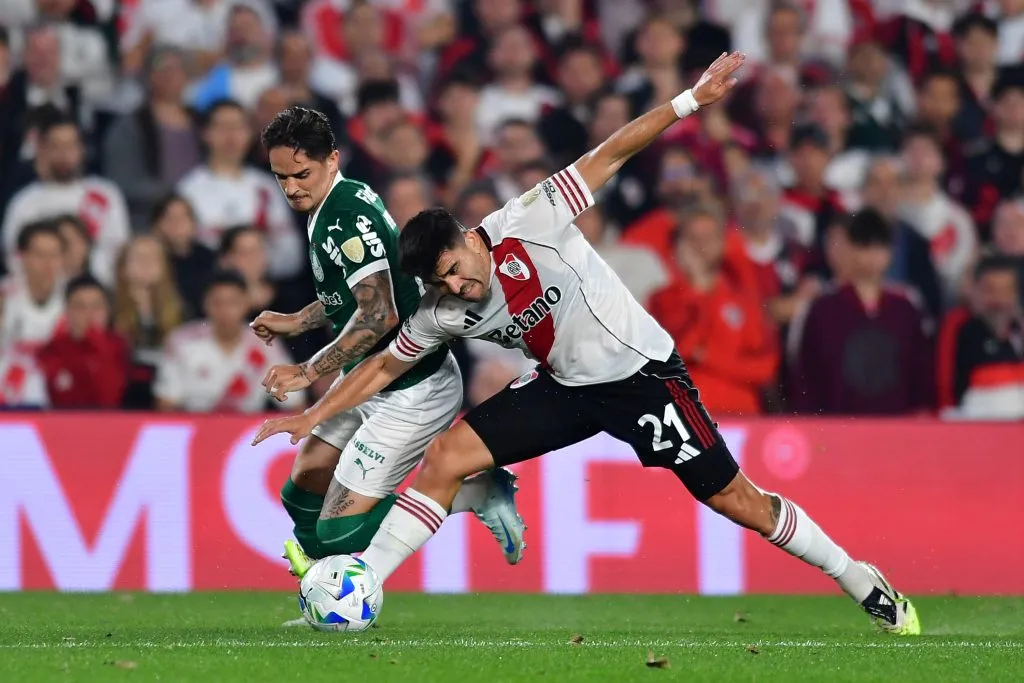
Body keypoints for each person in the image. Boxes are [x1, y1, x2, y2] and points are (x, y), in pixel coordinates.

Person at [253, 53, 920, 636]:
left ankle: (859, 577)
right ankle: (362, 584)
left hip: (642, 377)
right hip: (566, 388)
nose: (457, 286)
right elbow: (382, 366)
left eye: (456, 268)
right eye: (442, 282)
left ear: (467, 236)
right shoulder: (438, 309)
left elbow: (613, 152)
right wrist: (312, 413)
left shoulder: (529, 218)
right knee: (446, 454)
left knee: (735, 499)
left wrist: (691, 99)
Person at [250, 106, 526, 612]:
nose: (290, 188)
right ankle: (322, 599)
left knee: (338, 531)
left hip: (409, 388)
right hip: (370, 377)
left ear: (332, 159)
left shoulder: (343, 215)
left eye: (300, 175)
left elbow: (378, 318)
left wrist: (307, 370)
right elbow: (355, 298)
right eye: (280, 177)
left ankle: (475, 494)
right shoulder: (333, 202)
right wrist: (296, 320)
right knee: (301, 492)